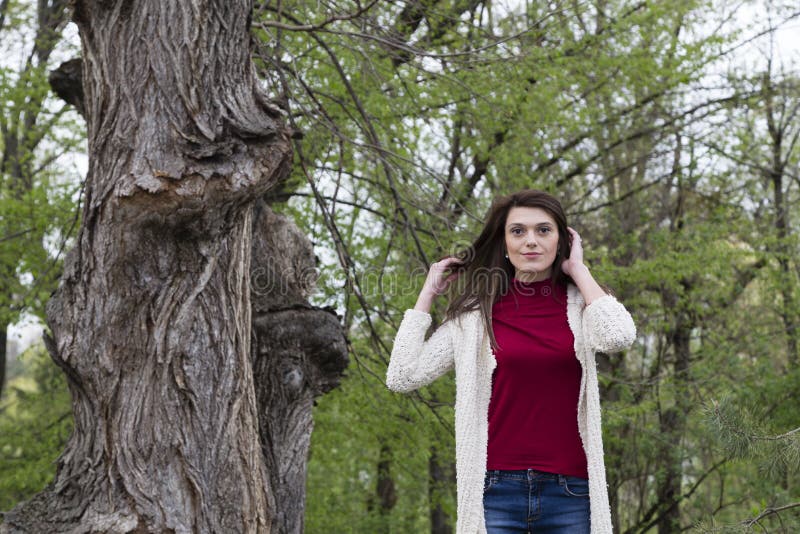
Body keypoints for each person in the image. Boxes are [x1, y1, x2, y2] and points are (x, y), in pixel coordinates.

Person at [386, 189, 636, 533]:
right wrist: (427, 295)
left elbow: (619, 336)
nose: (530, 241)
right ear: (504, 243)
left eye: (543, 230)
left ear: (561, 240)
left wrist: (578, 269)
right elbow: (402, 375)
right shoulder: (476, 317)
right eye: (518, 231)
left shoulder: (584, 306)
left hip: (572, 492)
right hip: (494, 493)